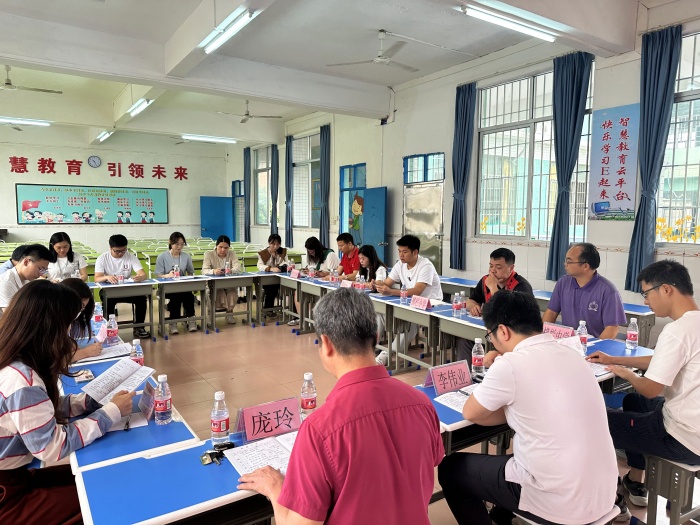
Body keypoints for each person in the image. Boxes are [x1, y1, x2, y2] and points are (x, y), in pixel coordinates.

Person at [238, 288, 444, 525]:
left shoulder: (319, 429)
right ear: (377, 336)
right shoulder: (422, 404)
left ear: (326, 344)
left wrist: (275, 487)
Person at [439, 290, 618, 525]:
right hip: (604, 492)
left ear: (503, 331)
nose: (492, 341)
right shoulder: (572, 353)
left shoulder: (510, 364)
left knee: (451, 469)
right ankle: (502, 516)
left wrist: (497, 368)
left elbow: (471, 413)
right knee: (515, 460)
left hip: (560, 502)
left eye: (490, 335)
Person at [0, 280, 134, 525]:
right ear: (49, 327)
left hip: (15, 476)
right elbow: (52, 446)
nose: (70, 331)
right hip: (7, 493)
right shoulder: (22, 381)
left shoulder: (14, 359)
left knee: (97, 477)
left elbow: (36, 410)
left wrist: (86, 402)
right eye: (68, 323)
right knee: (101, 498)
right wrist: (110, 413)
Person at [587, 260, 700, 517]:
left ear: (666, 289)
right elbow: (660, 360)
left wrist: (625, 373)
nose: (646, 301)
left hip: (682, 438)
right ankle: (636, 478)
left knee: (594, 422)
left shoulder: (677, 330)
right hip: (694, 426)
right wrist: (614, 359)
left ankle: (611, 501)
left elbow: (650, 389)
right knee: (633, 402)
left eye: (647, 293)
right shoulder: (694, 323)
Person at [374, 235, 443, 366]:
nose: (401, 255)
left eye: (404, 252)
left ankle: (385, 355)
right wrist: (376, 284)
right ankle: (370, 347)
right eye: (399, 251)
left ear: (415, 252)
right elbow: (387, 283)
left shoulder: (426, 266)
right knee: (380, 313)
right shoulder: (400, 264)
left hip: (430, 306)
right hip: (410, 303)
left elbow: (417, 291)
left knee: (409, 324)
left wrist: (391, 291)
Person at [459, 248, 533, 364]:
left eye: (498, 267)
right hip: (488, 330)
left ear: (511, 268)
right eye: (491, 266)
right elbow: (471, 300)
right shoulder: (485, 280)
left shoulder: (521, 286)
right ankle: (469, 373)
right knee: (464, 339)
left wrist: (493, 287)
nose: (493, 271)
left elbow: (509, 315)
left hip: (511, 335)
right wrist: (473, 306)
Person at [543, 242, 626, 339]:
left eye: (569, 261)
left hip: (593, 344)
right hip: (567, 343)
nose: (565, 264)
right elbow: (551, 312)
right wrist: (542, 337)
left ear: (585, 266)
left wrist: (595, 347)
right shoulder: (563, 283)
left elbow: (612, 327)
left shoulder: (608, 291)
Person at [94, 234, 150, 339]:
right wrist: (107, 277)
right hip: (110, 291)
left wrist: (140, 277)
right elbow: (97, 278)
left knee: (142, 299)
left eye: (123, 250)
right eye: (117, 251)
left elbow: (143, 274)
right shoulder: (102, 258)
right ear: (110, 248)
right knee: (108, 302)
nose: (121, 253)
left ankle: (139, 327)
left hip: (127, 290)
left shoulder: (130, 257)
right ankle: (109, 329)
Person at [287, 237, 340, 327]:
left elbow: (334, 272)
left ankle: (313, 319)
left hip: (328, 284)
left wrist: (321, 273)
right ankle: (302, 318)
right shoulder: (313, 257)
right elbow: (311, 268)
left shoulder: (330, 255)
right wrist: (307, 271)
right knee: (298, 292)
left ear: (317, 249)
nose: (310, 253)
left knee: (312, 295)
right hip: (315, 282)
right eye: (309, 252)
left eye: (312, 251)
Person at [155, 232, 197, 334]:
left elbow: (190, 272)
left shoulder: (186, 256)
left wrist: (190, 281)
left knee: (189, 297)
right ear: (170, 242)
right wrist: (167, 275)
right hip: (167, 287)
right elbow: (158, 275)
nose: (179, 247)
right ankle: (173, 322)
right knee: (176, 297)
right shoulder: (162, 257)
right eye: (177, 244)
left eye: (182, 244)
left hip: (182, 286)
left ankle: (191, 320)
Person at [202, 235, 242, 325]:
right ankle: (210, 315)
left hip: (228, 283)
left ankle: (229, 314)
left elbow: (238, 268)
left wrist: (231, 270)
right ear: (216, 246)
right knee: (211, 293)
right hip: (213, 283)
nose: (223, 250)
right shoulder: (209, 255)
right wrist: (213, 271)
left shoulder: (232, 254)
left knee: (232, 292)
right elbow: (204, 270)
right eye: (220, 247)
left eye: (226, 248)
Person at [0, 244, 52, 312]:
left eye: (44, 270)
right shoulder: (6, 283)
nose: (41, 274)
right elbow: (11, 315)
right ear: (26, 262)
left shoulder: (28, 280)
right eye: (40, 269)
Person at [61, 278, 103, 362]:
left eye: (83, 308)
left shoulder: (63, 320)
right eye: (81, 306)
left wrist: (69, 342)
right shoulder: (49, 322)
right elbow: (49, 364)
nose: (80, 312)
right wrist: (84, 353)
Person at [358, 245, 389, 340]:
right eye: (359, 258)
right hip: (368, 298)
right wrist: (367, 284)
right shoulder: (363, 269)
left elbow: (379, 283)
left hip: (380, 299)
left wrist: (370, 284)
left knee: (377, 314)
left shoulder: (380, 269)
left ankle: (372, 341)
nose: (361, 261)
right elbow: (357, 282)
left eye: (363, 258)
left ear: (370, 257)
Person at [257, 234, 289, 320]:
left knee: (291, 287)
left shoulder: (283, 251)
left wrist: (282, 266)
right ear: (269, 243)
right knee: (272, 287)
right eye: (273, 244)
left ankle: (292, 311)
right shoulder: (263, 253)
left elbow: (287, 263)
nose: (275, 246)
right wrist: (270, 268)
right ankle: (268, 310)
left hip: (280, 278)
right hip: (267, 280)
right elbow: (260, 266)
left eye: (278, 244)